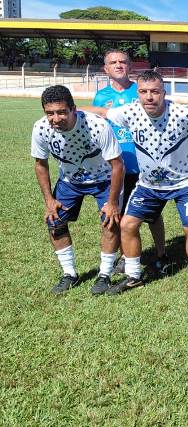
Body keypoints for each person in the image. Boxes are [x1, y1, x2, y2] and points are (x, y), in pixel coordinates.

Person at [104, 70, 188, 298]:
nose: (149, 97)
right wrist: (74, 113)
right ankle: (134, 277)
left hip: (184, 182)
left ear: (163, 93)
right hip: (149, 185)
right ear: (137, 93)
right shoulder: (129, 112)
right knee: (128, 225)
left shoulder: (182, 113)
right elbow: (103, 113)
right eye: (143, 92)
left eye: (155, 91)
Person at [32, 85, 123, 295]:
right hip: (70, 181)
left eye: (62, 112)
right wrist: (48, 200)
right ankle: (69, 274)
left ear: (73, 109)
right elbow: (40, 164)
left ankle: (104, 275)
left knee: (110, 223)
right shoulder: (40, 129)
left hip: (104, 179)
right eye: (50, 113)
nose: (56, 118)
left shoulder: (97, 126)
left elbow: (118, 165)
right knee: (54, 222)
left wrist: (112, 203)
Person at [92, 49, 167, 273]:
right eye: (113, 62)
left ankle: (161, 253)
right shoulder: (101, 97)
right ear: (106, 69)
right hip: (115, 167)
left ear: (130, 66)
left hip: (143, 164)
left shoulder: (143, 90)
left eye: (123, 61)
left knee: (152, 214)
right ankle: (126, 256)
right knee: (120, 212)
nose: (118, 65)